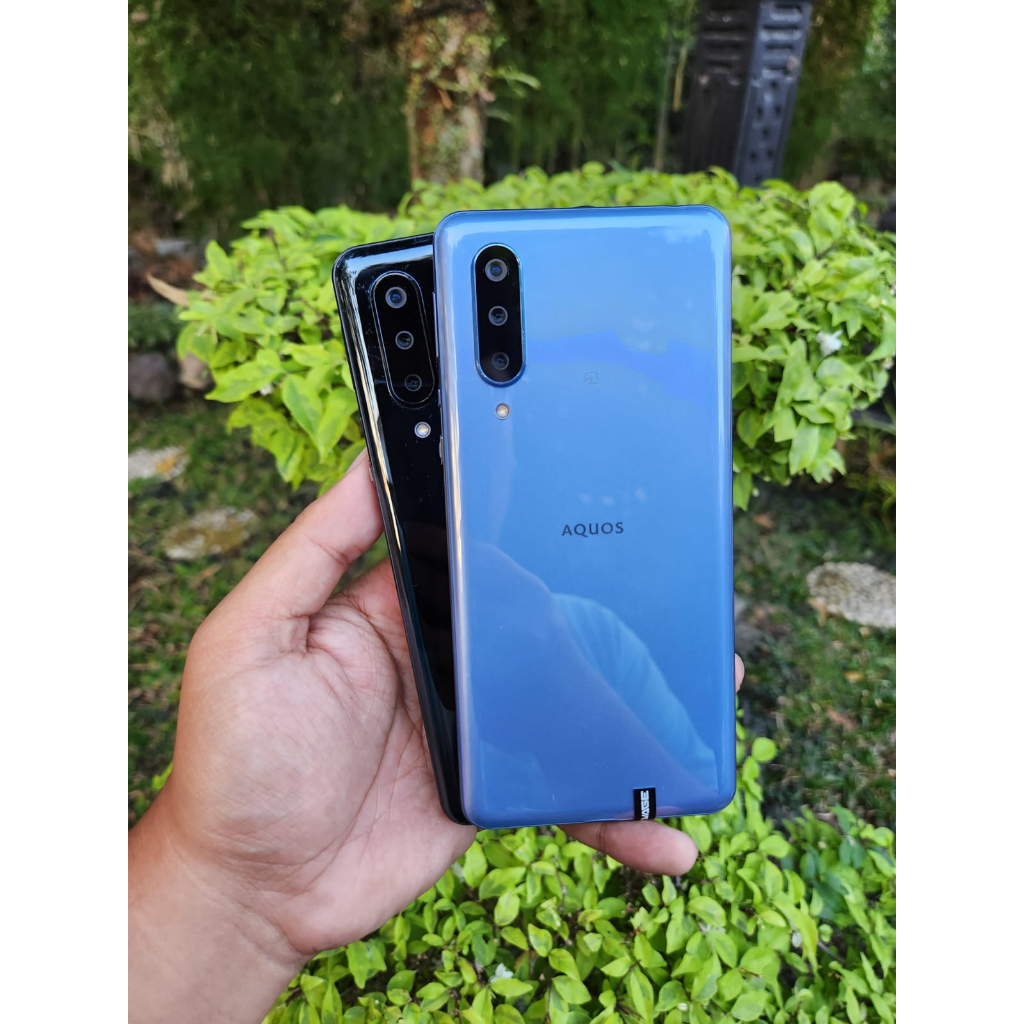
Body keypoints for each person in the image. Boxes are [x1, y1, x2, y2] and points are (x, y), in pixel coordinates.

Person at [128, 449, 744, 1023]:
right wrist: (228, 884)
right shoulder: (369, 664)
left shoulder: (590, 633)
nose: (466, 479)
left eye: (491, 448)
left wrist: (565, 674)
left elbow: (684, 779)